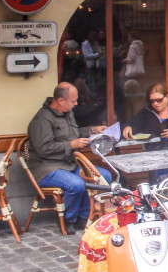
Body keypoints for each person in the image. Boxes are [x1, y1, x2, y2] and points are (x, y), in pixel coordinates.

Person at [27, 83, 111, 231]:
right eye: (73, 101)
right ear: (61, 101)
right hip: (47, 168)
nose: (76, 104)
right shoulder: (42, 119)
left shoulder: (67, 114)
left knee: (104, 176)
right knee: (77, 184)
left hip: (69, 164)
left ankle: (85, 217)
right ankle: (67, 220)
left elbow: (75, 133)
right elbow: (43, 149)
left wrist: (92, 130)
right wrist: (71, 145)